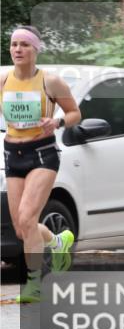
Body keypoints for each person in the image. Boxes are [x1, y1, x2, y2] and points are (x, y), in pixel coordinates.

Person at [2, 26, 81, 303]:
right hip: (12, 153)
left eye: (24, 44)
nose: (18, 49)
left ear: (36, 49)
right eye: (14, 45)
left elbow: (75, 113)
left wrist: (57, 121)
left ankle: (34, 285)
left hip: (42, 153)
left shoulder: (51, 81)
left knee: (26, 218)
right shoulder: (3, 80)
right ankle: (58, 242)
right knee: (22, 227)